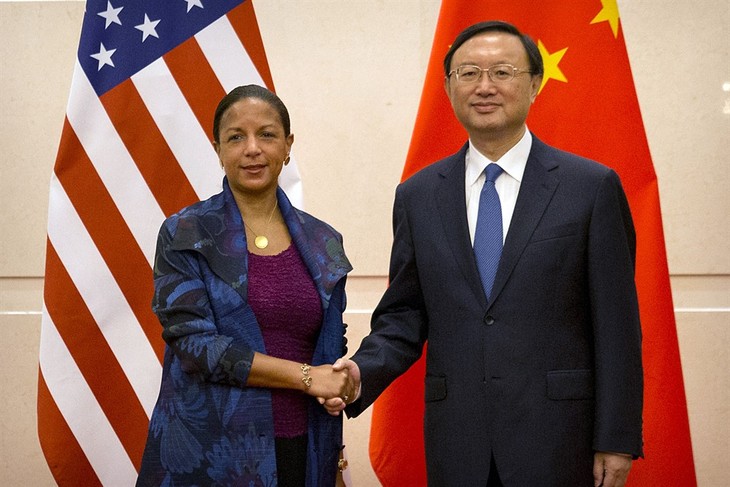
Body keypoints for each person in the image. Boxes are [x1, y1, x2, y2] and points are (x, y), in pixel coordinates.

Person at [326, 20, 643, 487]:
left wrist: (616, 437)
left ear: (534, 84)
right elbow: (404, 315)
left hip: (559, 439)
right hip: (459, 441)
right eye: (469, 73)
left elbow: (617, 326)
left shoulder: (590, 188)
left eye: (502, 72)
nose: (485, 86)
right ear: (449, 87)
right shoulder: (418, 195)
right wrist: (359, 371)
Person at [137, 85, 357, 487]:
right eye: (236, 137)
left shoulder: (323, 241)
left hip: (306, 451)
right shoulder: (185, 233)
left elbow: (329, 355)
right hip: (214, 455)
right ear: (218, 149)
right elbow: (197, 347)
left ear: (288, 146)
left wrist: (336, 460)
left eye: (267, 135)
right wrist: (307, 377)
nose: (252, 149)